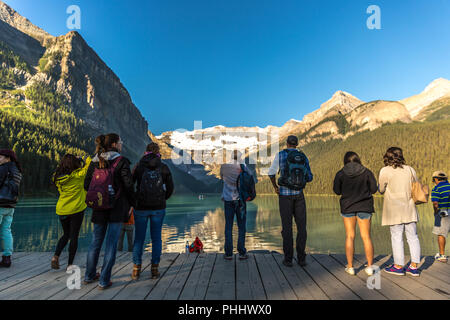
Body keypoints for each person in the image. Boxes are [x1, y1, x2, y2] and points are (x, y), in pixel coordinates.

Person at [83, 134, 135, 289]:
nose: (122, 144)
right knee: (111, 244)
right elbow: (129, 185)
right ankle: (104, 280)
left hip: (98, 208)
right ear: (114, 144)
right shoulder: (121, 161)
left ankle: (89, 276)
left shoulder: (95, 161)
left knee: (95, 243)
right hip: (117, 209)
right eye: (120, 142)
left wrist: (100, 195)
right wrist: (132, 203)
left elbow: (87, 185)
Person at [268, 135, 313, 267]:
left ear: (287, 143)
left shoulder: (281, 155)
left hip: (284, 196)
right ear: (297, 144)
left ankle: (288, 259)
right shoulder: (303, 156)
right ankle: (301, 258)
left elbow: (271, 173)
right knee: (301, 227)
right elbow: (309, 177)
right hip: (299, 195)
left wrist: (276, 187)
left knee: (287, 228)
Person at [131, 142, 174, 280]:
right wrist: (163, 198)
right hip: (158, 208)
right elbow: (170, 187)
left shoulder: (139, 166)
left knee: (139, 239)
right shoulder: (163, 166)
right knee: (156, 239)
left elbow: (130, 183)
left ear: (146, 152)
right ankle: (154, 269)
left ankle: (136, 269)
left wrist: (135, 199)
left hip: (141, 208)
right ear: (158, 152)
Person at [379, 147, 421, 277]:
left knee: (397, 237)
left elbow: (380, 189)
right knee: (413, 237)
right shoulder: (410, 169)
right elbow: (416, 186)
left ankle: (398, 266)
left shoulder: (385, 170)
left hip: (394, 209)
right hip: (409, 208)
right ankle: (413, 267)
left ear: (388, 156)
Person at [333, 151, 377, 276]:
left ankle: (351, 267)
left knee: (350, 236)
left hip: (348, 207)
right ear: (358, 160)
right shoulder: (367, 172)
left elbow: (336, 191)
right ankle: (369, 267)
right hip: (365, 207)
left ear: (345, 161)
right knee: (366, 237)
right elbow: (373, 189)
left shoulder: (341, 173)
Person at [52, 154, 92, 271]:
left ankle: (55, 256)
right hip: (76, 209)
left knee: (66, 234)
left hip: (62, 209)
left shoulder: (57, 177)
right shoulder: (78, 175)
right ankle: (70, 264)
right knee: (74, 236)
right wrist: (84, 158)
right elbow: (89, 166)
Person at [219, 150, 255, 260]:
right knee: (241, 226)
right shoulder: (243, 166)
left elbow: (222, 177)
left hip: (228, 200)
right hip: (240, 201)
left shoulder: (224, 166)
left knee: (228, 226)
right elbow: (250, 177)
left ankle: (229, 253)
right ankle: (242, 252)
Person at [0, 149, 22, 268]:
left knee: (5, 230)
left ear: (8, 158)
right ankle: (7, 258)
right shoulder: (17, 170)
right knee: (6, 231)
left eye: (0, 157)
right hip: (11, 205)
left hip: (0, 203)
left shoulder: (3, 168)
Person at [431, 171, 450, 263]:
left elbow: (435, 203)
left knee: (441, 233)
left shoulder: (436, 188)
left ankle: (442, 255)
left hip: (443, 211)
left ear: (435, 179)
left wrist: (435, 212)